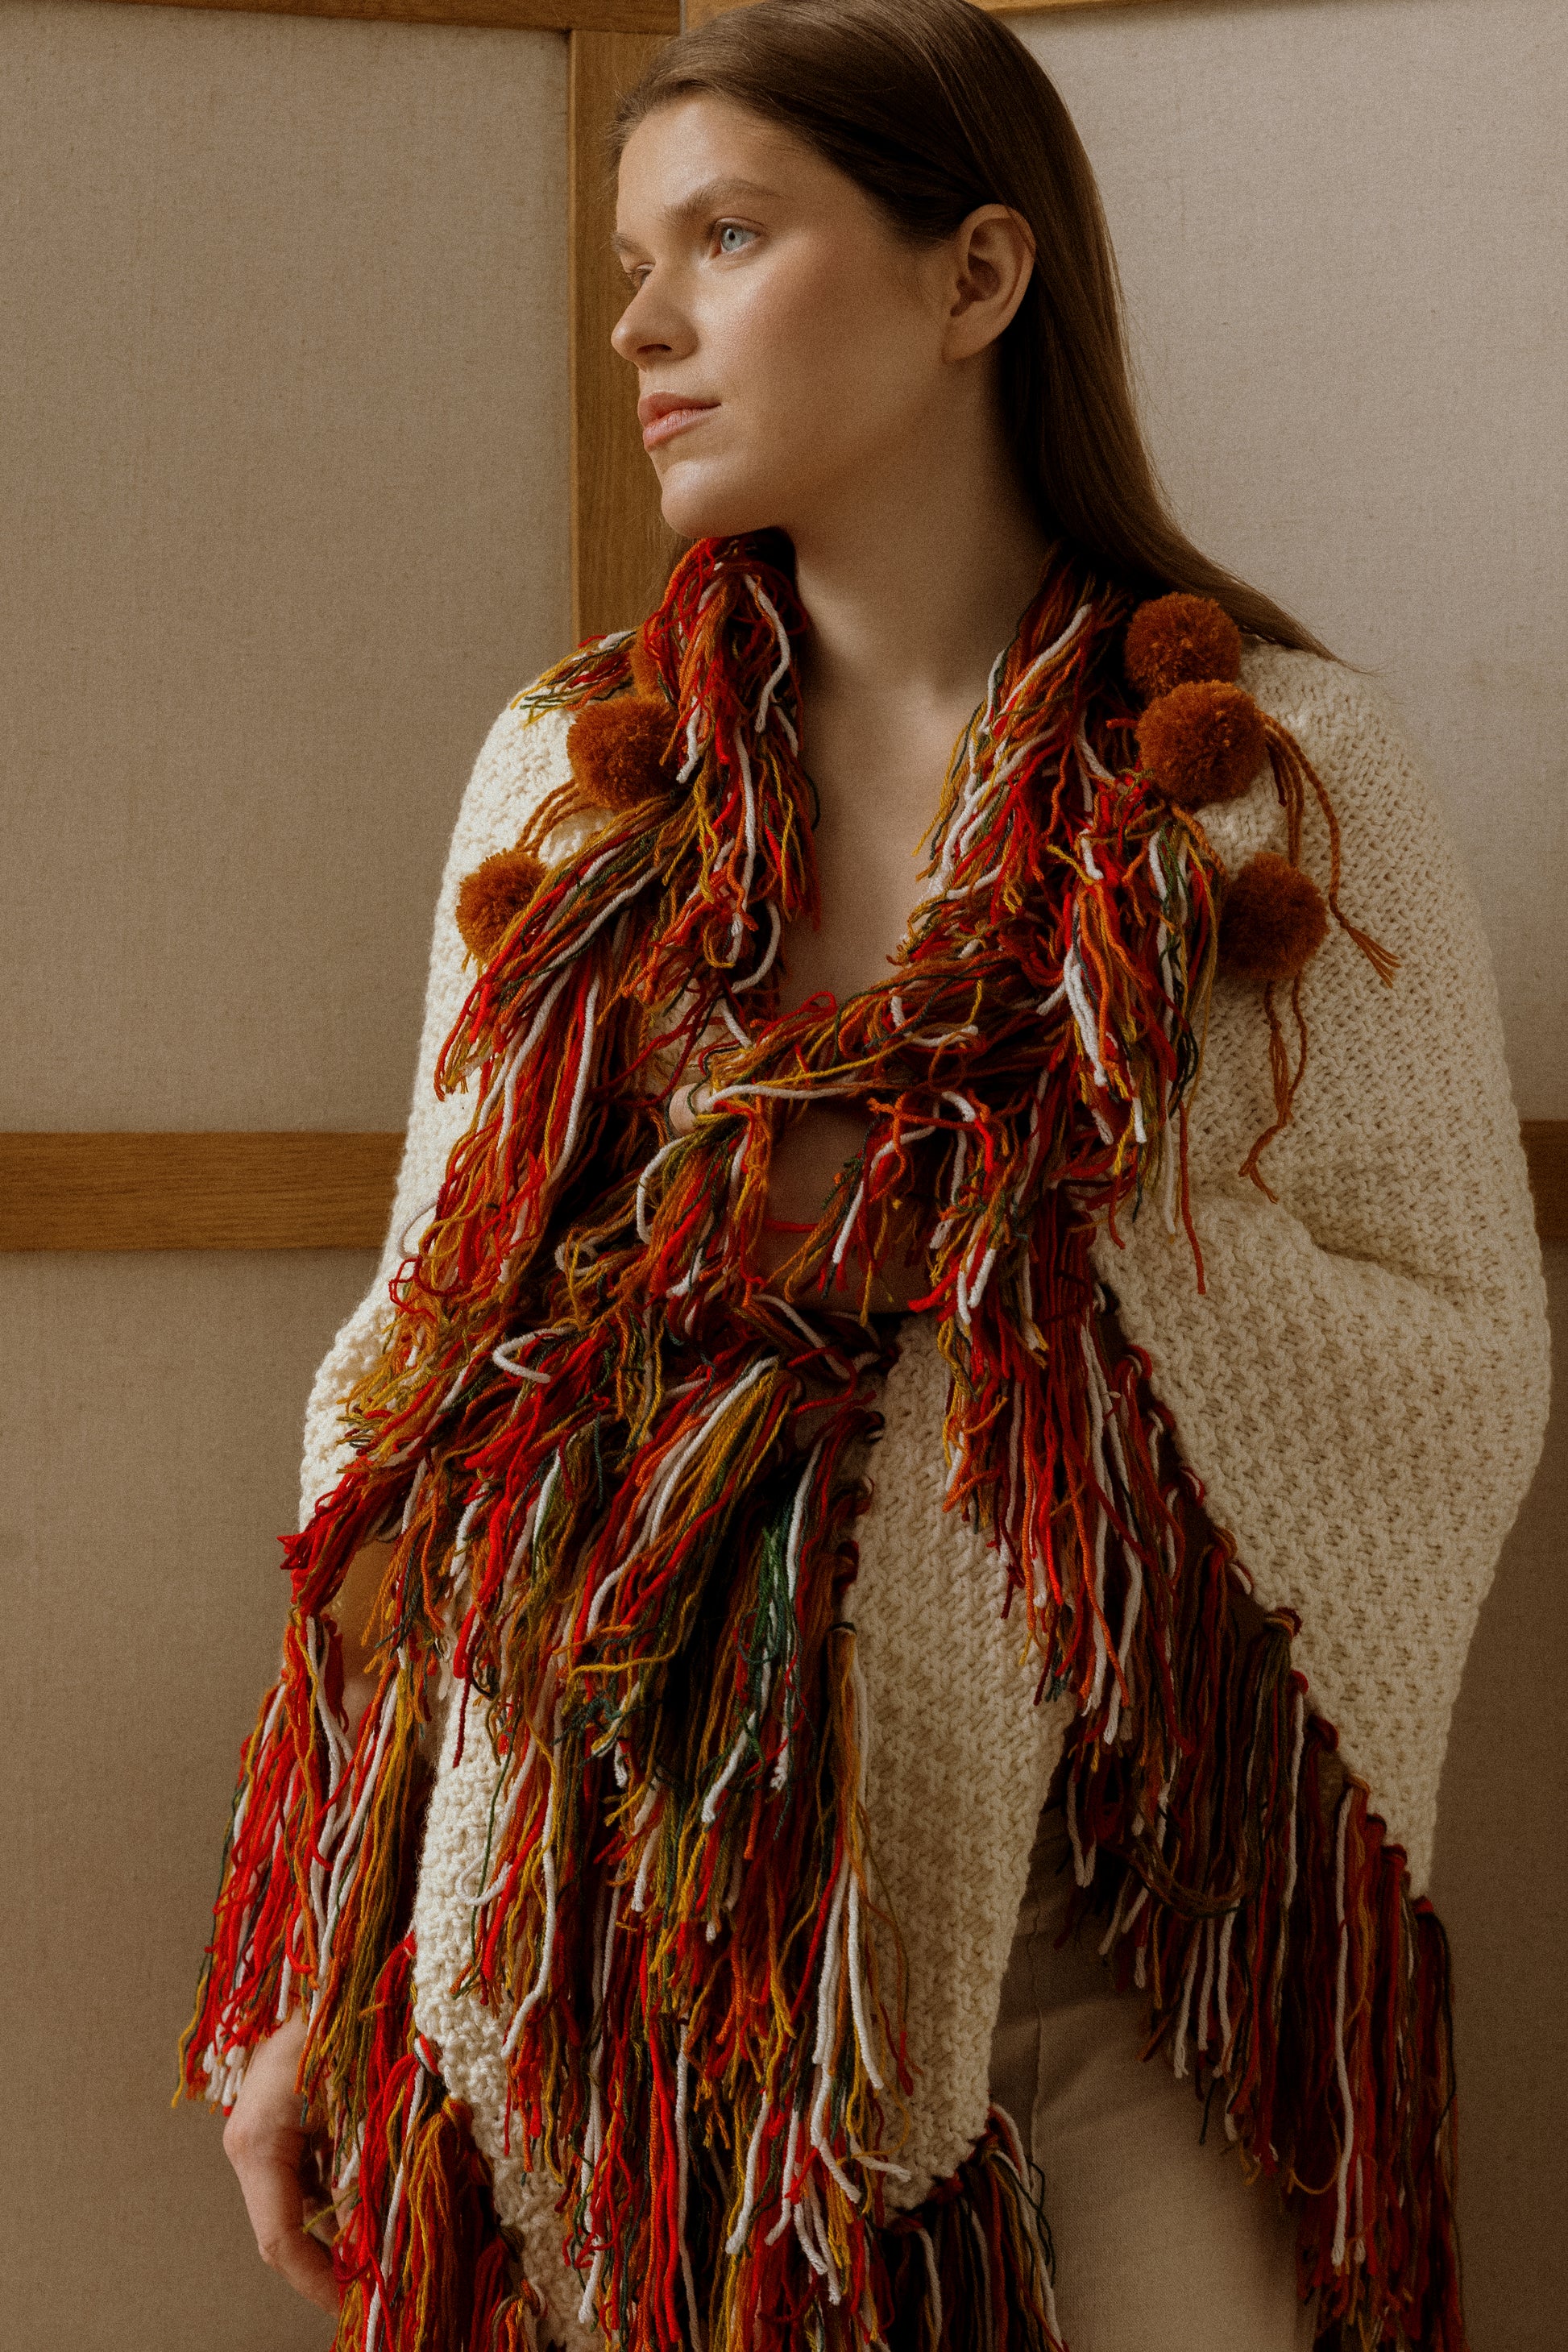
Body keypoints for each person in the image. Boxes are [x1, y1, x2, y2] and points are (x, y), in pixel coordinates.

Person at [195, 5, 1549, 2349]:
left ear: (976, 275)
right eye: (634, 261)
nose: (643, 323)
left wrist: (1027, 1225)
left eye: (728, 238)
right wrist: (336, 1944)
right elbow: (421, 1373)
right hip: (613, 1940)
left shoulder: (1266, 781)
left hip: (1125, 1957)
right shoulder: (571, 784)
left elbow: (1454, 1357)